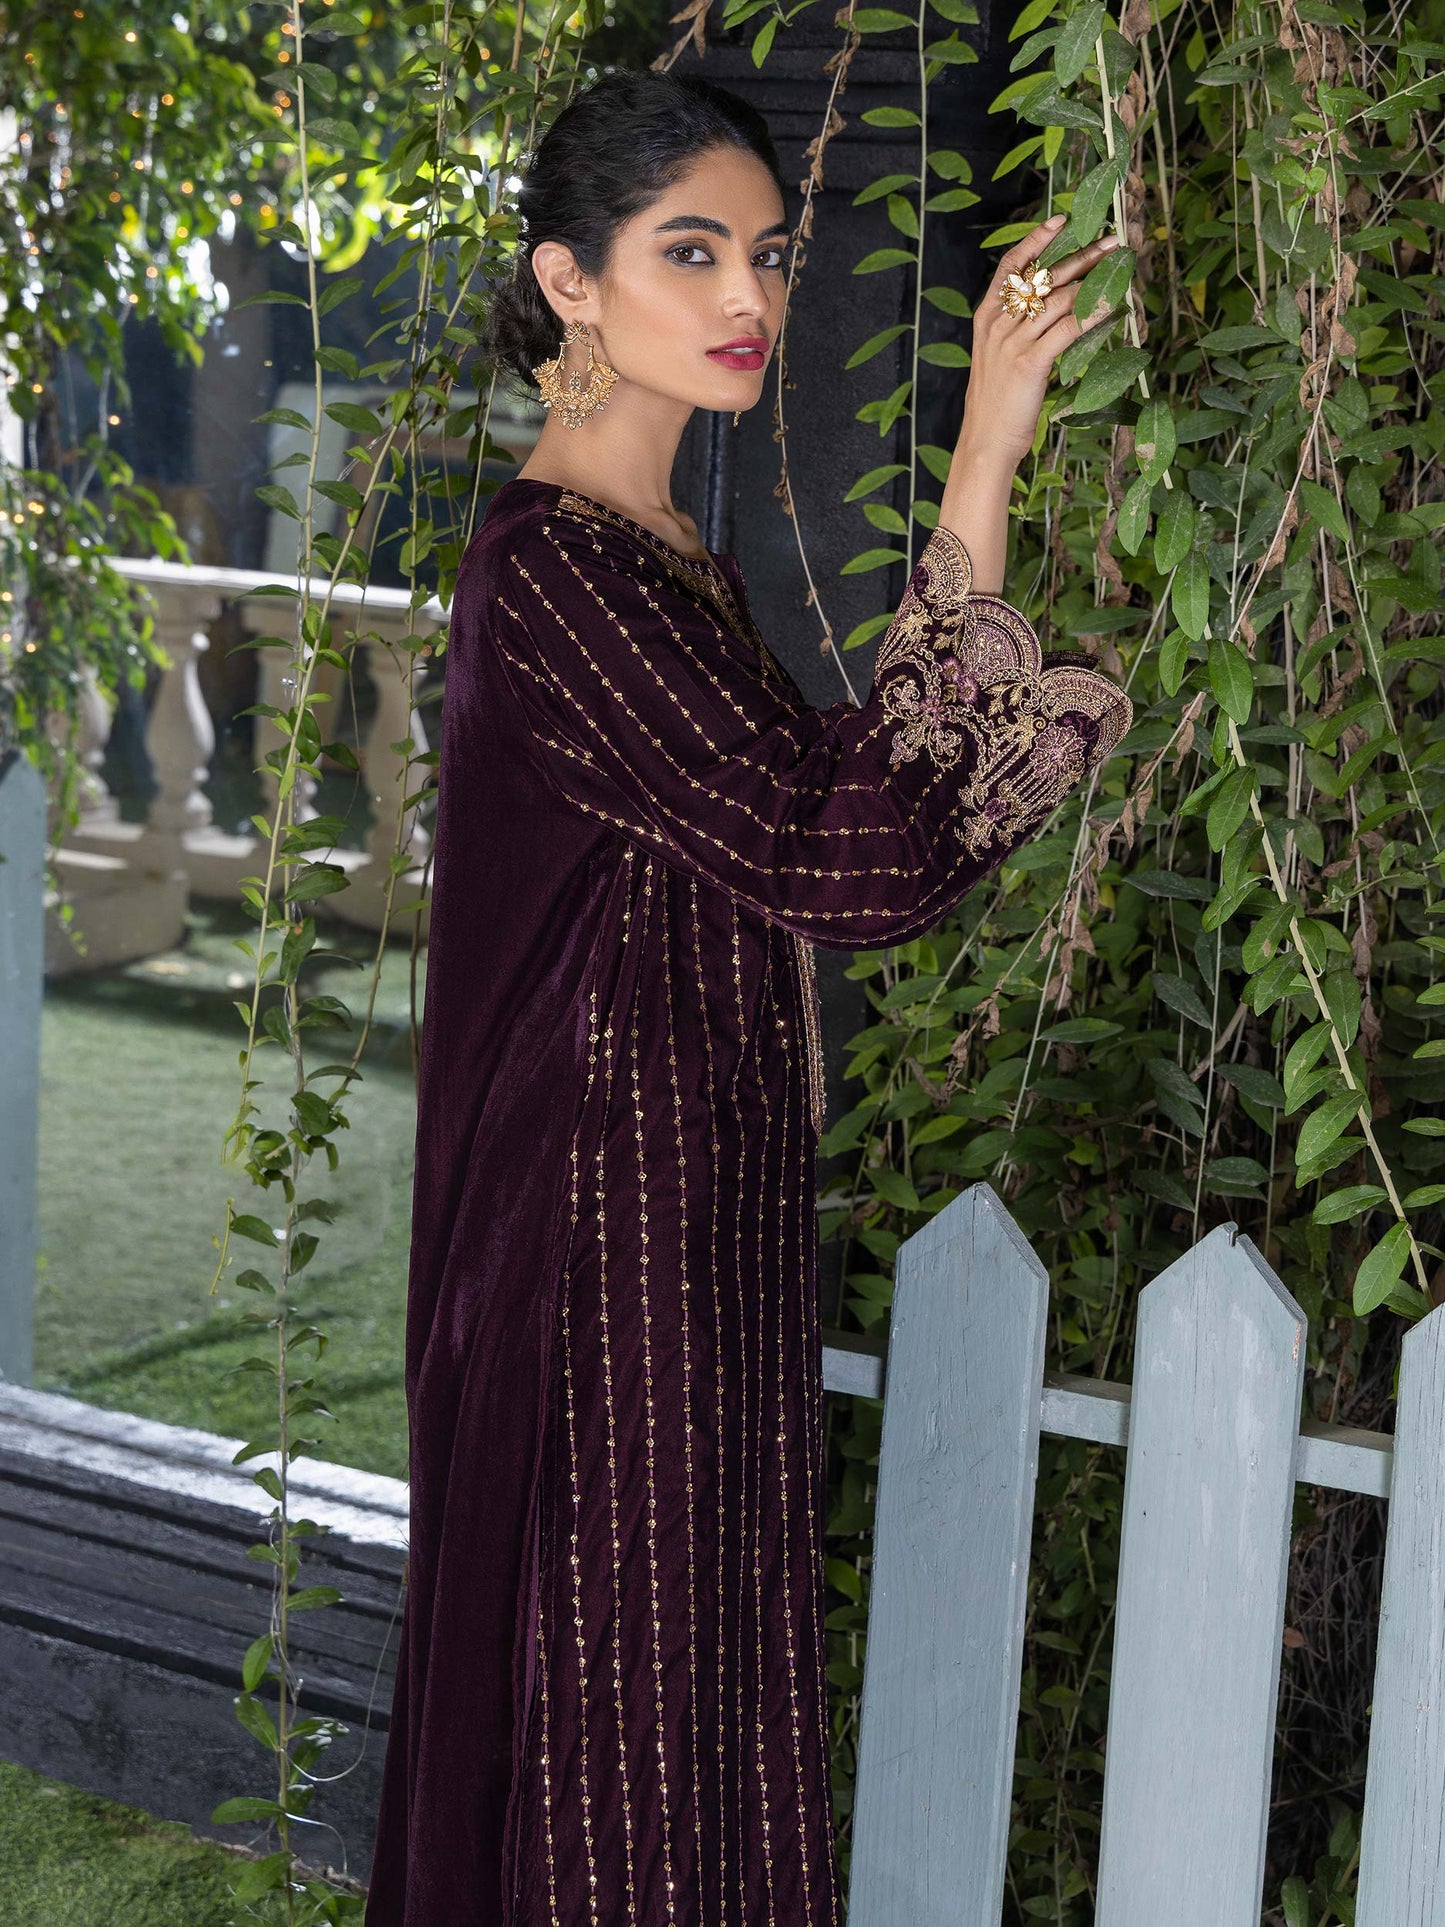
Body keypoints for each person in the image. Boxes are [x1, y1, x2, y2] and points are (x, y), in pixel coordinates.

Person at [364, 65, 1133, 1927]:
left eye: (769, 256)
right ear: (568, 281)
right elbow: (850, 859)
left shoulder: (656, 563)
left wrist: (987, 459)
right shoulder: (559, 577)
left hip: (675, 1217)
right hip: (594, 1252)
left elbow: (833, 815)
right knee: (612, 1743)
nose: (747, 300)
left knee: (680, 1727)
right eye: (689, 252)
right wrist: (983, 450)